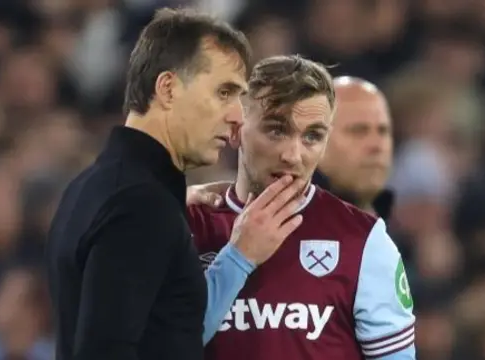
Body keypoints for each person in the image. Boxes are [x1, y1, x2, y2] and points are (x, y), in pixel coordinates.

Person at [46, 8, 306, 360]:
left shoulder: (94, 187)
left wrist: (170, 203)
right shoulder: (139, 205)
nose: (237, 116)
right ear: (167, 88)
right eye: (224, 92)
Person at [188, 55, 416, 360]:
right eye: (276, 130)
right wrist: (238, 259)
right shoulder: (186, 225)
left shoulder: (364, 242)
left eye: (312, 136)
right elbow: (160, 346)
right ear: (236, 130)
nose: (293, 155)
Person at [313, 76, 395, 220]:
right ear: (315, 140)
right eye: (358, 131)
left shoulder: (400, 231)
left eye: (383, 131)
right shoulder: (285, 230)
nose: (376, 146)